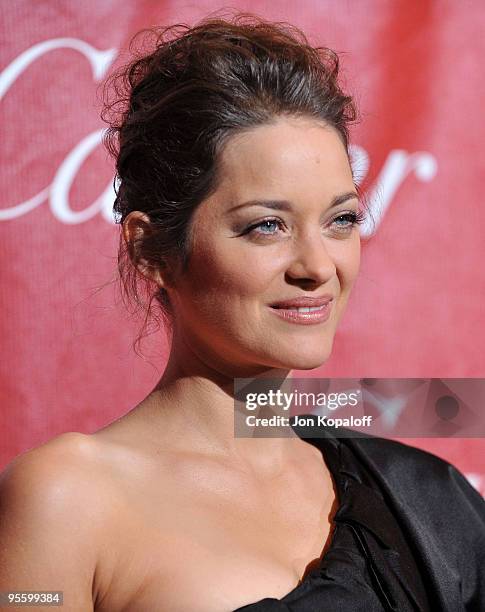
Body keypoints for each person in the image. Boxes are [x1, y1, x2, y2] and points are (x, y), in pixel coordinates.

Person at [0, 13, 484, 612]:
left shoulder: (425, 498)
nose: (317, 265)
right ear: (151, 250)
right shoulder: (65, 497)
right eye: (266, 226)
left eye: (341, 221)